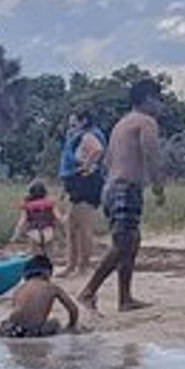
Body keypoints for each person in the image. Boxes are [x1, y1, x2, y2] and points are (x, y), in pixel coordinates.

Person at [78, 80, 167, 314]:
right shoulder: (146, 122)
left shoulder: (122, 123)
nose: (161, 106)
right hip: (125, 187)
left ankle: (125, 298)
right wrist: (158, 186)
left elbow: (107, 160)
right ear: (148, 99)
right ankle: (88, 292)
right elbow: (151, 155)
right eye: (159, 100)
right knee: (124, 243)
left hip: (113, 186)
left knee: (131, 241)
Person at [56, 110, 107, 277]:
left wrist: (85, 167)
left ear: (84, 121)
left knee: (83, 227)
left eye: (74, 124)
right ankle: (71, 265)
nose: (71, 128)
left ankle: (83, 267)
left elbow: (97, 150)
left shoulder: (87, 136)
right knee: (70, 226)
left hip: (86, 184)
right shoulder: (79, 137)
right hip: (77, 184)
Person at [0, 252, 83, 338]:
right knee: (55, 322)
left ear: (26, 275)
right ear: (48, 273)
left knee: (6, 326)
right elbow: (73, 309)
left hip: (12, 328)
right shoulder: (51, 287)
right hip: (33, 331)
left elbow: (20, 311)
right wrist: (71, 326)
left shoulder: (20, 289)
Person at [13, 180, 58, 253]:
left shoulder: (27, 204)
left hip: (34, 233)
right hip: (49, 232)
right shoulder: (51, 203)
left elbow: (22, 221)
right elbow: (59, 218)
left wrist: (15, 236)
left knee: (35, 258)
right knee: (49, 257)